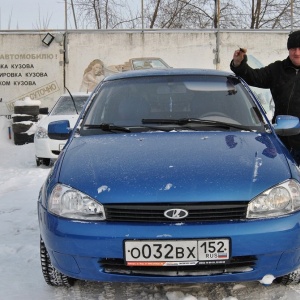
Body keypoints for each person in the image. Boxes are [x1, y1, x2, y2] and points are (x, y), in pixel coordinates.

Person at [230, 30, 300, 164]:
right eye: (293, 48)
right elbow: (254, 77)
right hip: (281, 138)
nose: (296, 53)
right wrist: (239, 65)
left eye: (299, 48)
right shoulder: (277, 69)